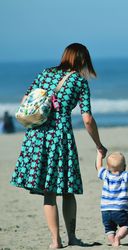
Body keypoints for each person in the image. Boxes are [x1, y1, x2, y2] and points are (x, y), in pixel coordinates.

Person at [10, 43, 107, 249]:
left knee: (48, 191)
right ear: (82, 60)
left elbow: (26, 99)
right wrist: (99, 145)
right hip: (60, 134)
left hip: (37, 134)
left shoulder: (45, 73)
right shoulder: (79, 81)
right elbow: (87, 118)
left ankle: (55, 241)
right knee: (67, 188)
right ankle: (72, 238)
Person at [96, 151, 128, 247]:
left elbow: (98, 166)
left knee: (109, 228)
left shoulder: (105, 174)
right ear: (124, 166)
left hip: (105, 210)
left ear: (107, 166)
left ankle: (113, 241)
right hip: (119, 209)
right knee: (127, 224)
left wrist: (99, 155)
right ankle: (118, 237)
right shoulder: (124, 176)